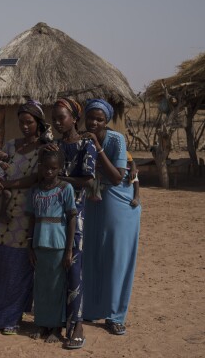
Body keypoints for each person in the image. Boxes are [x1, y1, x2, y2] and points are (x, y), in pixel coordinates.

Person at [0, 99, 52, 335]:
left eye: (29, 122)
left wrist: (8, 185)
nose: (24, 126)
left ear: (39, 123)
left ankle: (12, 317)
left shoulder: (44, 149)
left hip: (25, 211)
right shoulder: (12, 146)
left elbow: (36, 178)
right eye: (21, 122)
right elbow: (2, 167)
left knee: (17, 265)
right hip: (2, 208)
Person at [81, 99, 141, 336]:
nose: (94, 122)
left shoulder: (116, 140)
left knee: (116, 258)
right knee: (91, 255)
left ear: (107, 121)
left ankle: (114, 316)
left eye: (100, 119)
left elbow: (117, 177)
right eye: (91, 118)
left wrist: (98, 146)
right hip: (93, 199)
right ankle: (91, 309)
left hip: (118, 201)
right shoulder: (82, 137)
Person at [47, 97, 97, 348]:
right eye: (54, 119)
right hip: (52, 213)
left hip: (74, 214)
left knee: (74, 266)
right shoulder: (54, 145)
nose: (57, 122)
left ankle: (77, 323)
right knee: (55, 266)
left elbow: (88, 181)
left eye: (61, 117)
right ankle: (56, 321)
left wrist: (61, 178)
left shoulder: (86, 145)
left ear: (75, 118)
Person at [26, 149, 77, 345]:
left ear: (59, 169)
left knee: (57, 286)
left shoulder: (65, 188)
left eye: (53, 168)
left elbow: (72, 217)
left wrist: (69, 249)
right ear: (41, 167)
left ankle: (56, 327)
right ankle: (41, 324)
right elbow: (31, 217)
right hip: (39, 242)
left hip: (58, 243)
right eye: (46, 167)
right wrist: (30, 245)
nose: (49, 171)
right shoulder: (36, 190)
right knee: (41, 286)